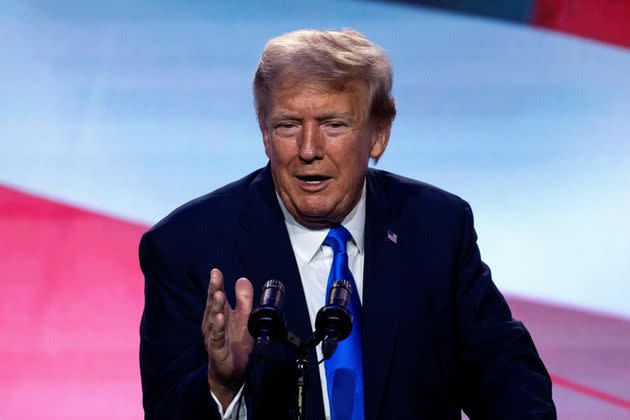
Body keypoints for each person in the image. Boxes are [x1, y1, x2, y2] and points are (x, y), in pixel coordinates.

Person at [139, 29, 556, 419]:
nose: (308, 149)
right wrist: (222, 384)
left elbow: (509, 376)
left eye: (333, 125)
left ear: (378, 135)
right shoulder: (187, 248)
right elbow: (166, 409)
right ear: (265, 134)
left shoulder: (437, 228)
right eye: (288, 126)